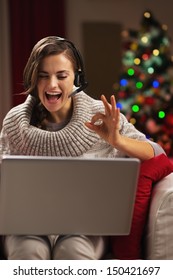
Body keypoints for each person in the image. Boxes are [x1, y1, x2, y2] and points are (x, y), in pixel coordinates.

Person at [0, 36, 164, 260]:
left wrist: (117, 140)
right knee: (28, 252)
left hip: (85, 230)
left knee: (73, 251)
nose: (52, 85)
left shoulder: (101, 115)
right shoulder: (14, 123)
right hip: (27, 228)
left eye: (61, 76)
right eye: (43, 76)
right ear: (33, 78)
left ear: (77, 76)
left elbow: (157, 155)